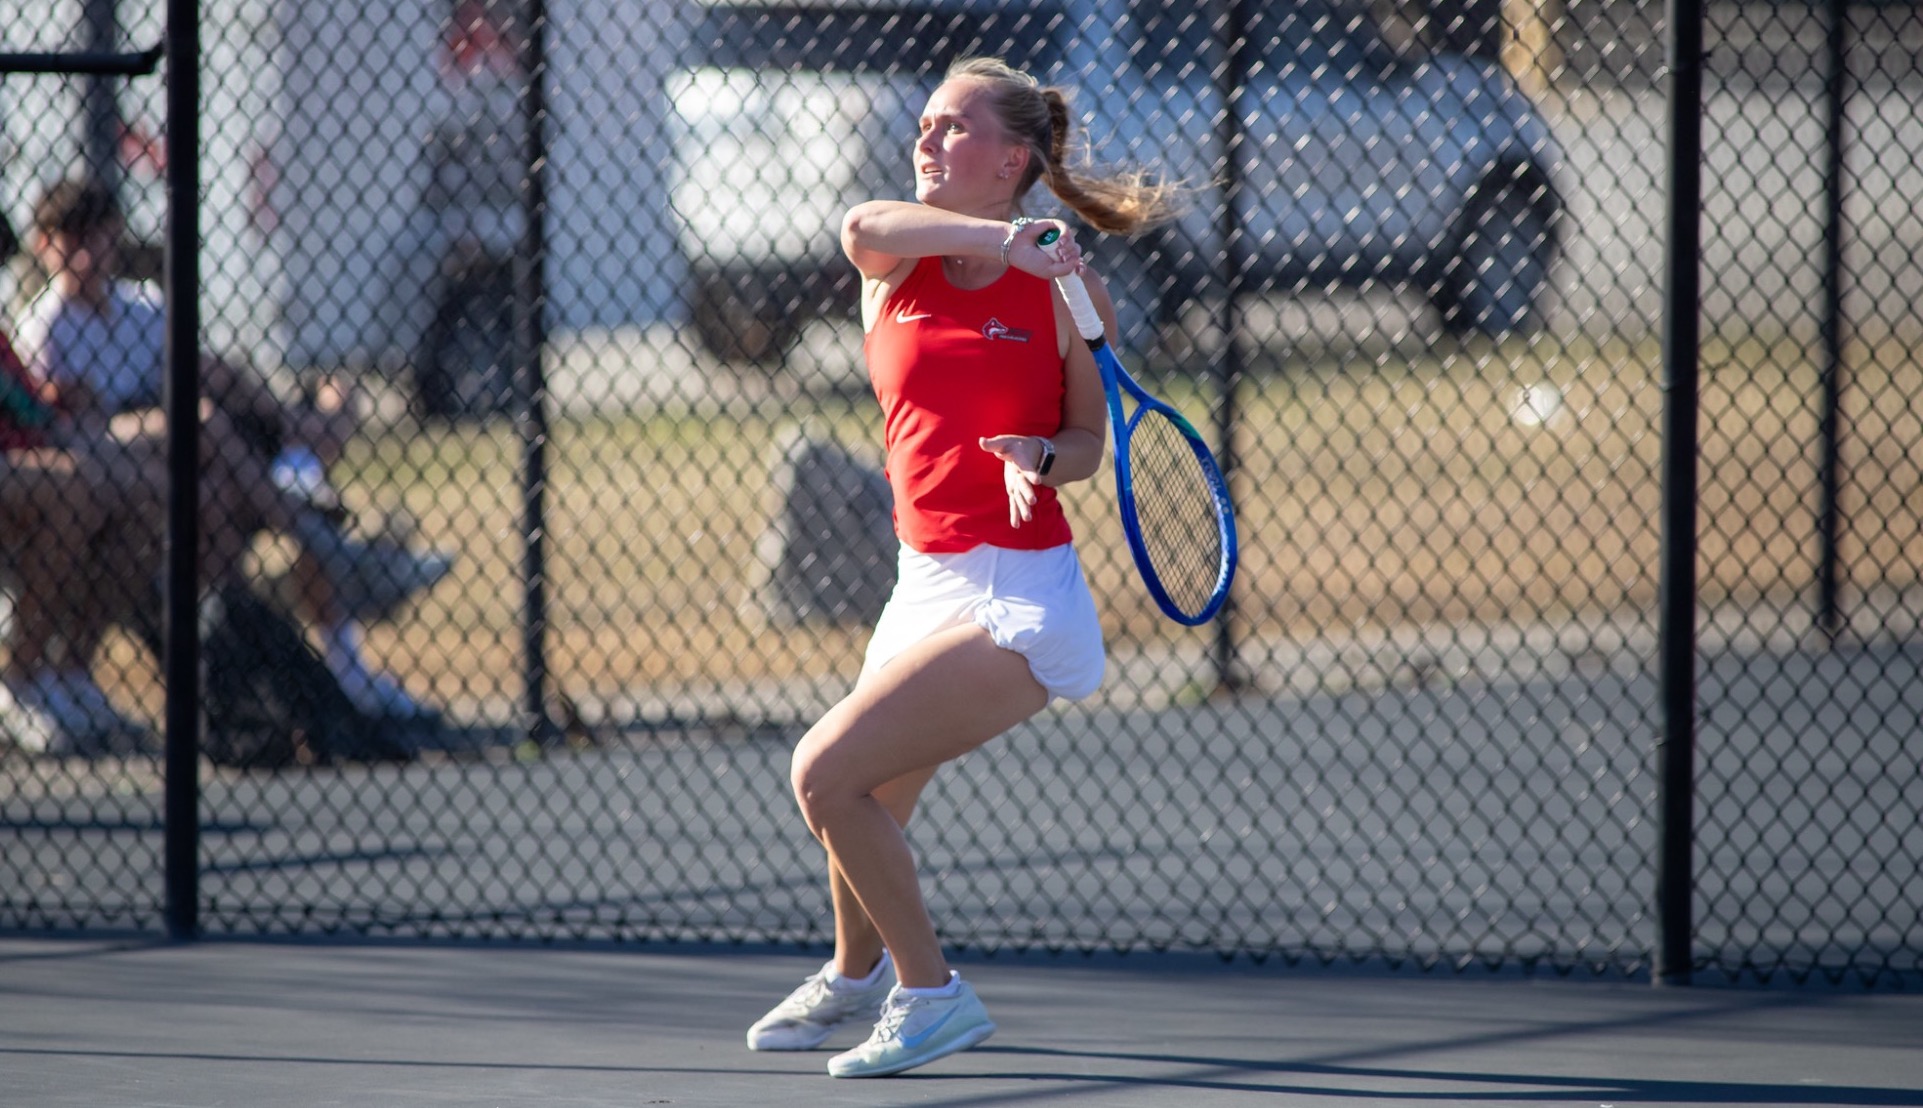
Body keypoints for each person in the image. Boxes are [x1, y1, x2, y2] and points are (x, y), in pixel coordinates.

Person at [743, 56, 1180, 1078]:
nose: (928, 142)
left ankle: (931, 994)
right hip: (923, 578)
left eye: (953, 129)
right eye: (927, 125)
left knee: (823, 772)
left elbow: (1085, 441)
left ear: (1014, 157)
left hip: (1019, 595)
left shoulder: (1073, 295)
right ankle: (854, 975)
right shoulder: (896, 262)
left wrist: (1039, 455)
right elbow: (862, 224)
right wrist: (1002, 240)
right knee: (869, 804)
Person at [14, 176, 451, 725]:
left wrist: (277, 413)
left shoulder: (140, 305)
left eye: (96, 236)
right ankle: (318, 543)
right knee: (211, 435)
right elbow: (68, 423)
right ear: (44, 244)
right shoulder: (46, 324)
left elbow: (205, 370)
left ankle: (331, 667)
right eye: (69, 239)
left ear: (114, 237)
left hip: (187, 460)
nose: (85, 253)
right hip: (109, 454)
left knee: (227, 487)